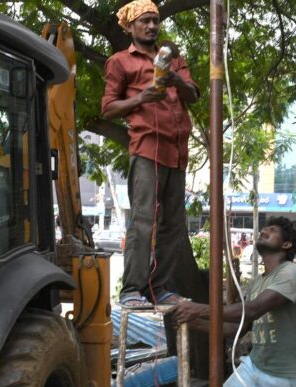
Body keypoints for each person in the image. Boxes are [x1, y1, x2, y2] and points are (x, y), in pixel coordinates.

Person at [170, 216, 296, 387]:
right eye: (264, 229)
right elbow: (236, 330)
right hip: (253, 368)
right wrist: (194, 322)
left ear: (286, 245)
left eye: (271, 230)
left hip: (285, 378)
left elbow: (252, 310)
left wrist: (198, 309)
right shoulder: (258, 282)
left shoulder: (291, 274)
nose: (264, 231)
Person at [101, 0, 199, 307]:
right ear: (130, 27)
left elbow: (193, 95)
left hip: (178, 152)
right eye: (145, 21)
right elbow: (107, 108)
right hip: (146, 149)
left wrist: (175, 79)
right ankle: (132, 289)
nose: (152, 26)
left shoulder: (173, 59)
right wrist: (142, 97)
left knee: (173, 223)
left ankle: (160, 289)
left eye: (155, 20)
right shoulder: (120, 62)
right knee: (143, 220)